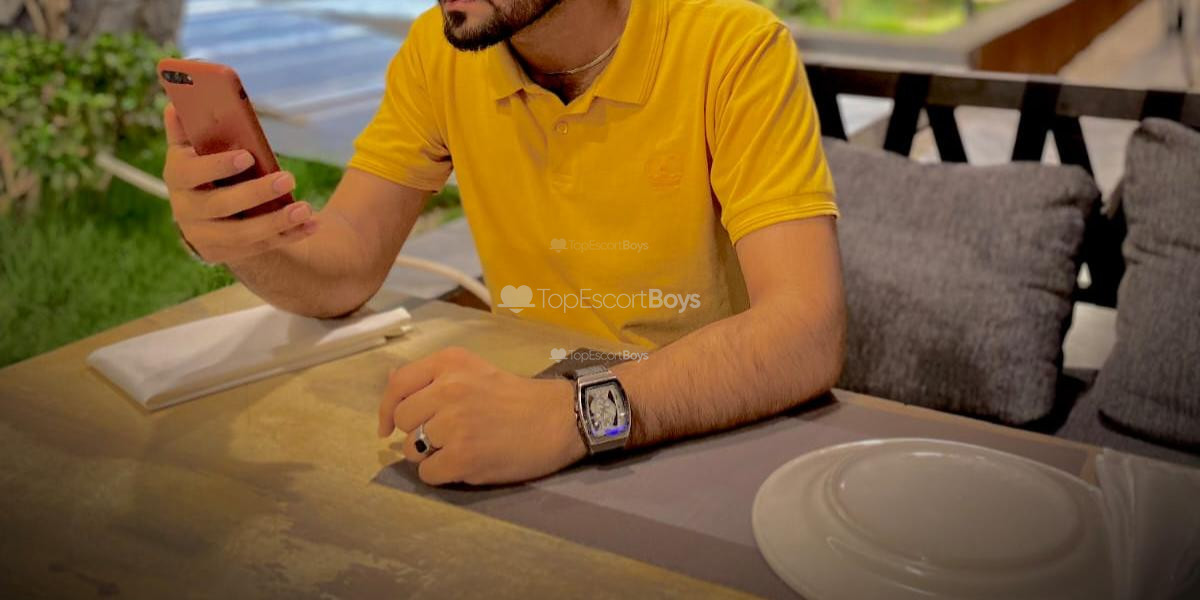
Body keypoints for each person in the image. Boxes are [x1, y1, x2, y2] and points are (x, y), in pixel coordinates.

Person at [162, 0, 845, 486]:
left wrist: (573, 416)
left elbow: (804, 332)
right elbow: (343, 270)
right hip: (523, 418)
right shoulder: (440, 53)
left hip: (707, 432)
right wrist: (241, 236)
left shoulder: (734, 45)